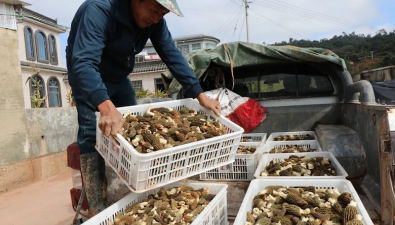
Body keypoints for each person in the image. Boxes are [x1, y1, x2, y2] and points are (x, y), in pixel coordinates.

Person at [66, 0, 221, 217]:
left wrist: (200, 94)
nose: (157, 17)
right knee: (92, 133)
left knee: (133, 124)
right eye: (155, 10)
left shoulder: (154, 22)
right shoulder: (99, 10)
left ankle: (129, 191)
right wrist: (105, 106)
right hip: (88, 77)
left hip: (119, 77)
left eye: (164, 13)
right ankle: (97, 206)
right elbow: (83, 62)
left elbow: (172, 55)